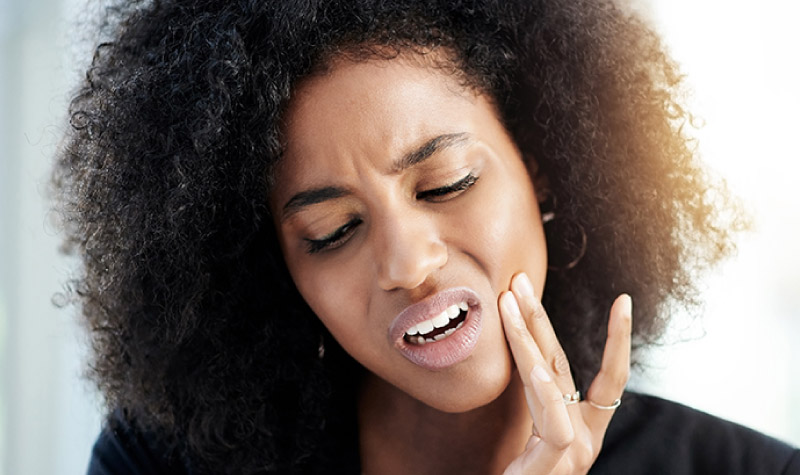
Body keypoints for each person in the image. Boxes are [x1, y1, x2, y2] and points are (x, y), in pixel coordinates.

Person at [53, 0, 798, 473]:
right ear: (276, 269)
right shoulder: (159, 462)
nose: (408, 262)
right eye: (332, 230)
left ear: (542, 168)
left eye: (445, 183)